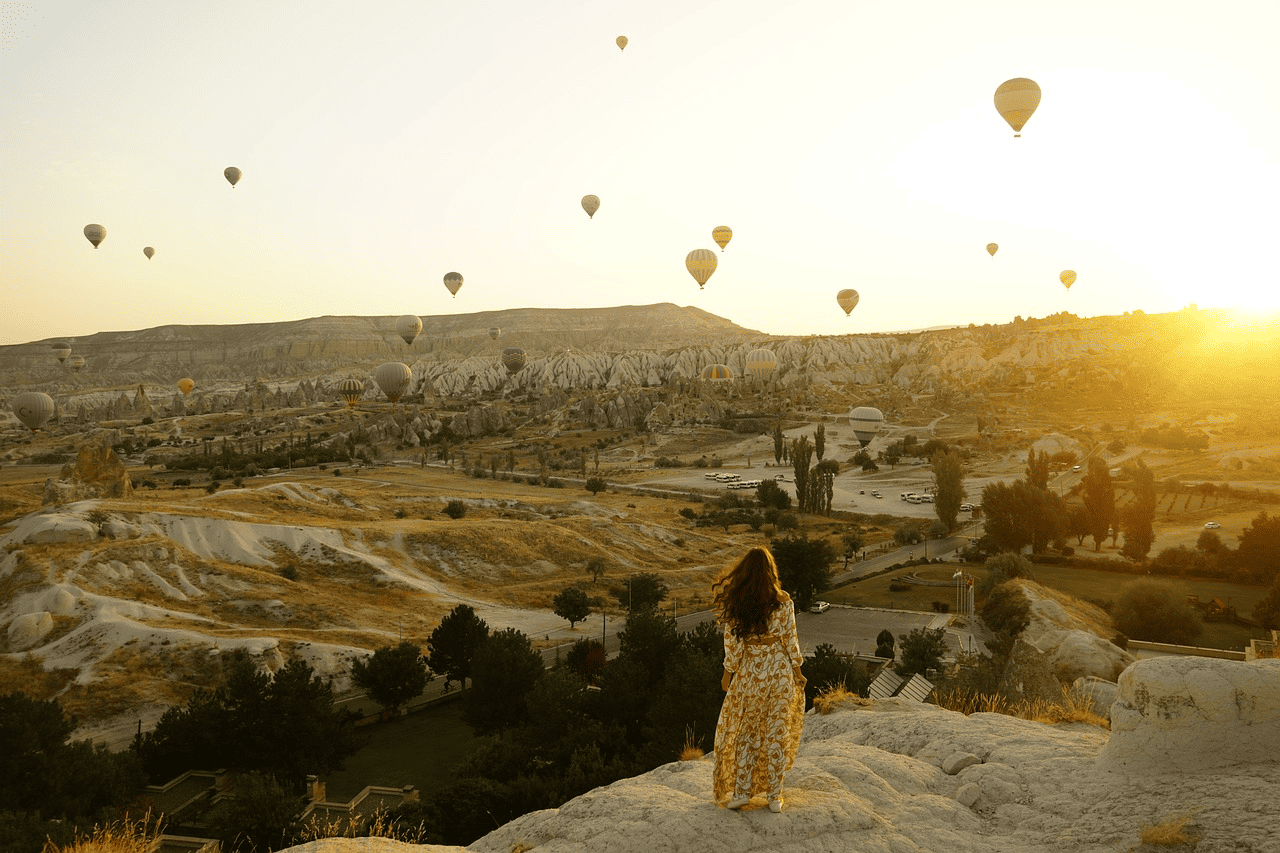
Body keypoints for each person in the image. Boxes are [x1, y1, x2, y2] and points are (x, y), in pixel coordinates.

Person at [711, 546, 806, 813]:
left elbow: (733, 644)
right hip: (779, 674)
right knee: (777, 733)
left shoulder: (737, 601)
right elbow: (790, 640)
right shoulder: (784, 601)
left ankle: (742, 792)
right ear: (770, 572)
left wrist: (728, 673)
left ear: (743, 573)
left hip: (750, 675)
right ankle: (774, 797)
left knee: (747, 734)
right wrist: (797, 672)